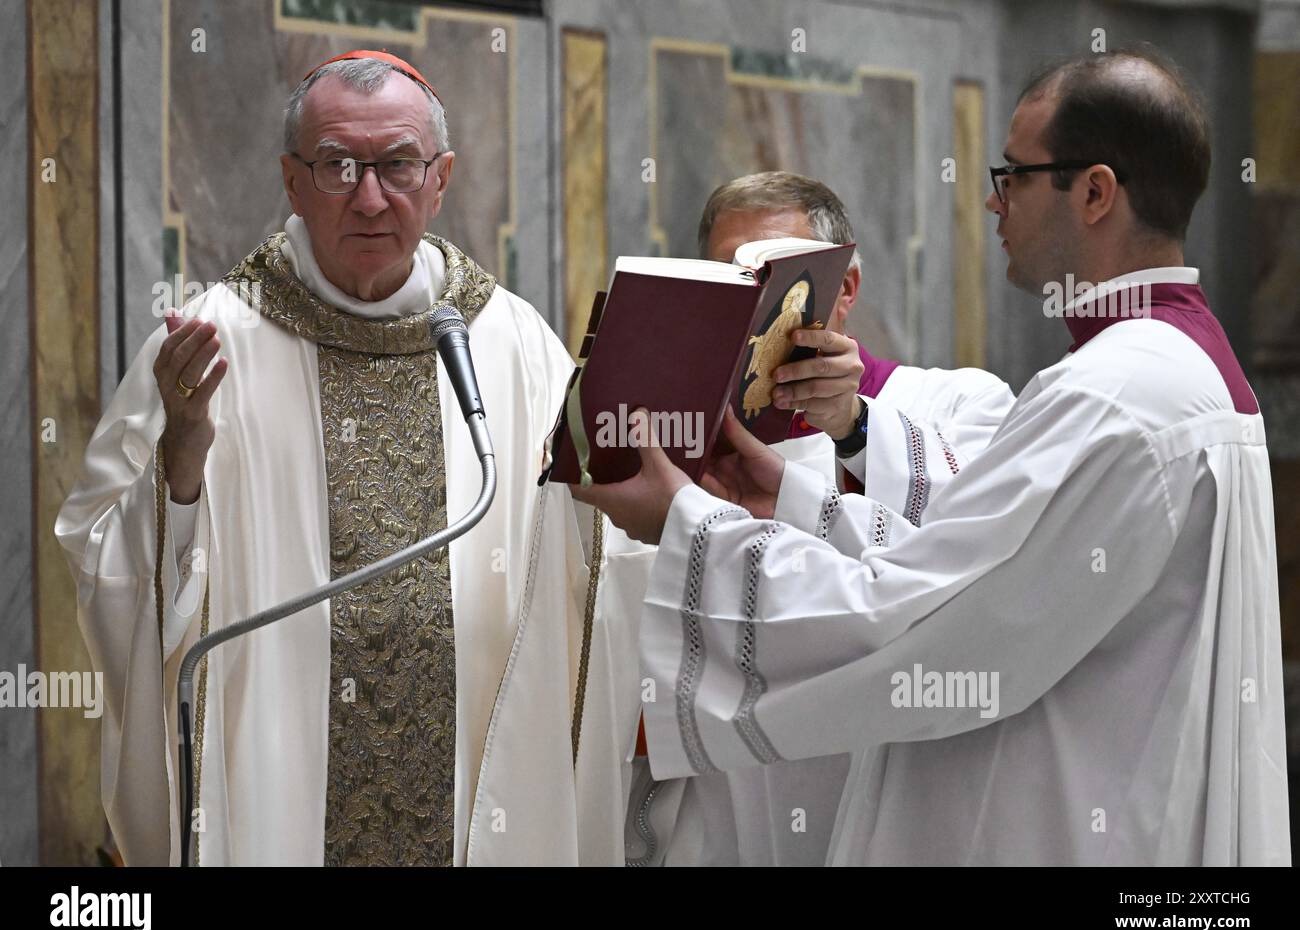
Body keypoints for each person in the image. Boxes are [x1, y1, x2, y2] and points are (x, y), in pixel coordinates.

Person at [575, 47, 1290, 864]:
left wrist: (687, 522)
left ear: (1094, 192)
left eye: (1014, 174)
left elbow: (918, 626)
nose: (992, 199)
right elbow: (974, 580)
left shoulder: (1113, 395)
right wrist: (800, 504)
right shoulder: (1178, 370)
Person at [56, 51, 594, 866]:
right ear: (292, 180)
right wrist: (182, 462)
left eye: (398, 165)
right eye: (339, 165)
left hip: (475, 797)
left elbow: (595, 555)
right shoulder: (209, 342)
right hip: (278, 786)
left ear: (440, 178)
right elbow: (104, 560)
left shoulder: (512, 344)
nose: (370, 196)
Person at [576, 172, 1012, 865]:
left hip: (884, 784)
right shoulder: (674, 442)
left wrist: (856, 425)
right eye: (730, 282)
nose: (752, 310)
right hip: (724, 798)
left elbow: (972, 566)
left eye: (773, 278)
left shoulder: (951, 404)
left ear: (845, 289)